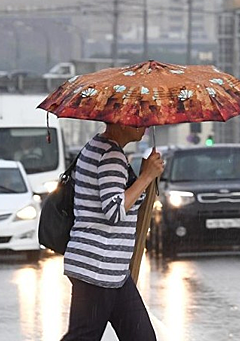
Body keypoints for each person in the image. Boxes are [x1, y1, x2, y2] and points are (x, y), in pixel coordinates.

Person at [61, 124, 164, 341]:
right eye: (137, 120)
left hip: (112, 270)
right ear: (120, 120)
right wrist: (146, 177)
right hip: (98, 268)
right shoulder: (111, 155)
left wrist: (145, 175)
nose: (144, 125)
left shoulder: (99, 146)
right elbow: (114, 211)